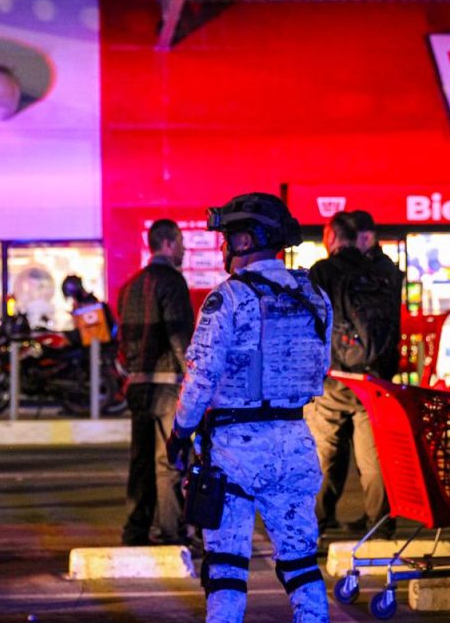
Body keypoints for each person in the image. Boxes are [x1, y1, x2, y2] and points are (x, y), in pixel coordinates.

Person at [167, 193, 332, 622]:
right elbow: (321, 370)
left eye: (228, 237)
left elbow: (201, 378)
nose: (224, 247)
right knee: (300, 565)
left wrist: (180, 433)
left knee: (226, 570)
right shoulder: (316, 295)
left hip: (234, 452)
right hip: (296, 443)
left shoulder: (229, 298)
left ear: (245, 239)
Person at [307, 212, 395, 536]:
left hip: (334, 379)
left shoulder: (322, 272)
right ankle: (381, 524)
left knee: (325, 451)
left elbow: (311, 324)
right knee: (372, 456)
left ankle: (317, 521)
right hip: (373, 380)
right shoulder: (379, 271)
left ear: (331, 237)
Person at [116, 219, 194, 546]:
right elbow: (179, 336)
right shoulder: (173, 283)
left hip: (137, 386)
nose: (184, 250)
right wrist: (193, 374)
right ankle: (172, 531)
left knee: (141, 461)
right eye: (180, 243)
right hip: (166, 385)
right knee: (169, 461)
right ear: (167, 243)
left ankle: (135, 529)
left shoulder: (131, 285)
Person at [349, 209, 404, 293]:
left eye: (350, 237)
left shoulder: (381, 269)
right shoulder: (383, 265)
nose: (347, 243)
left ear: (366, 238)